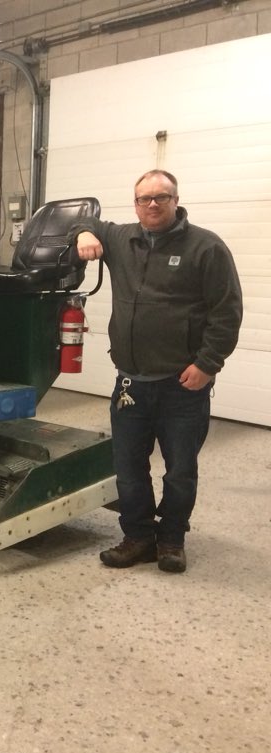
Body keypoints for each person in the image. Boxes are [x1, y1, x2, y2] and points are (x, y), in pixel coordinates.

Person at [70, 169, 243, 573]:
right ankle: (138, 538)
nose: (152, 204)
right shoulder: (121, 238)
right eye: (143, 198)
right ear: (135, 204)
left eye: (160, 197)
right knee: (129, 469)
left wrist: (207, 364)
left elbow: (227, 312)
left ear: (175, 200)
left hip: (182, 387)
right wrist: (84, 233)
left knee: (180, 471)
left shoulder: (206, 247)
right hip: (131, 382)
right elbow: (84, 220)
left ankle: (171, 540)